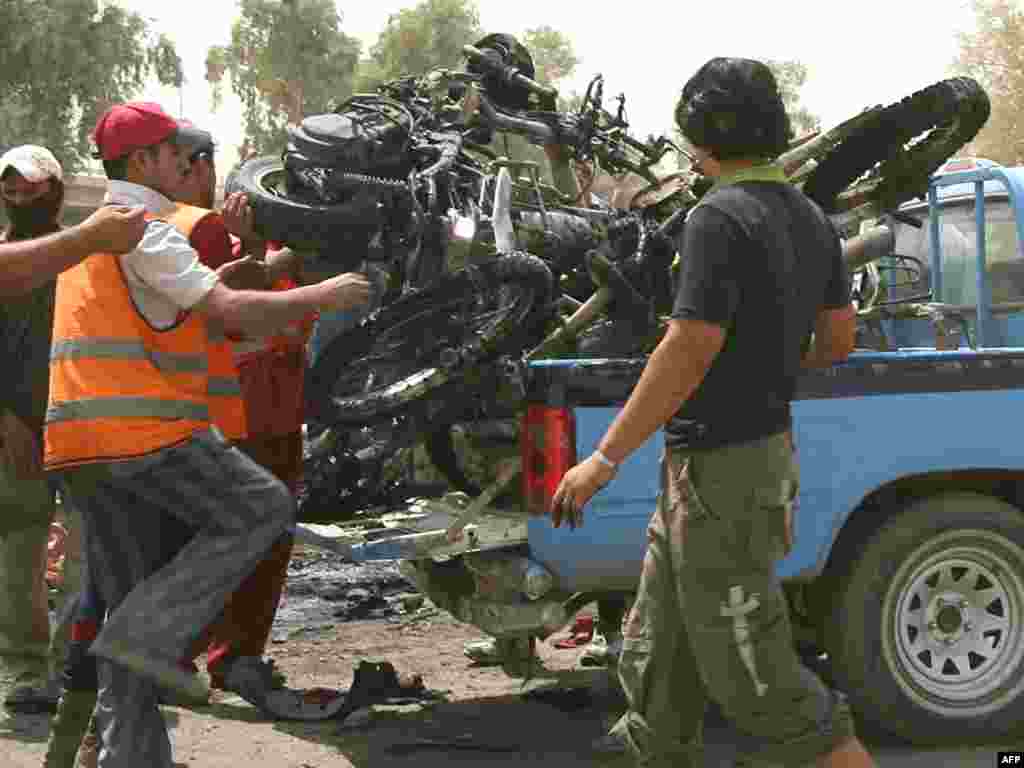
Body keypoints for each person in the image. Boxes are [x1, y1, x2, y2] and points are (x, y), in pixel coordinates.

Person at [549, 58, 873, 768]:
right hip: (742, 464)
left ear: (703, 138)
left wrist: (603, 459)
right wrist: (765, 362)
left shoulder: (716, 218)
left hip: (722, 476)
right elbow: (838, 340)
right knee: (659, 660)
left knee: (758, 679)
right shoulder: (811, 220)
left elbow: (689, 345)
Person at [43, 100, 370, 768]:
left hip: (80, 445)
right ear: (143, 162)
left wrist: (246, 269)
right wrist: (324, 294)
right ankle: (144, 642)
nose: (188, 164)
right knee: (263, 506)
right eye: (175, 154)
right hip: (142, 436)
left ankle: (129, 757)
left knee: (127, 606)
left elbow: (177, 309)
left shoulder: (100, 231)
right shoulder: (154, 227)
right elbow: (224, 310)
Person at [0, 146, 119, 717]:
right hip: (17, 428)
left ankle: (71, 669)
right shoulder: (5, 257)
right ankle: (26, 669)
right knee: (17, 553)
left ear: (55, 188)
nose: (19, 195)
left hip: (81, 425)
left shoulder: (84, 252)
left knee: (83, 553)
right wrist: (8, 422)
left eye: (29, 186)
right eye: (11, 187)